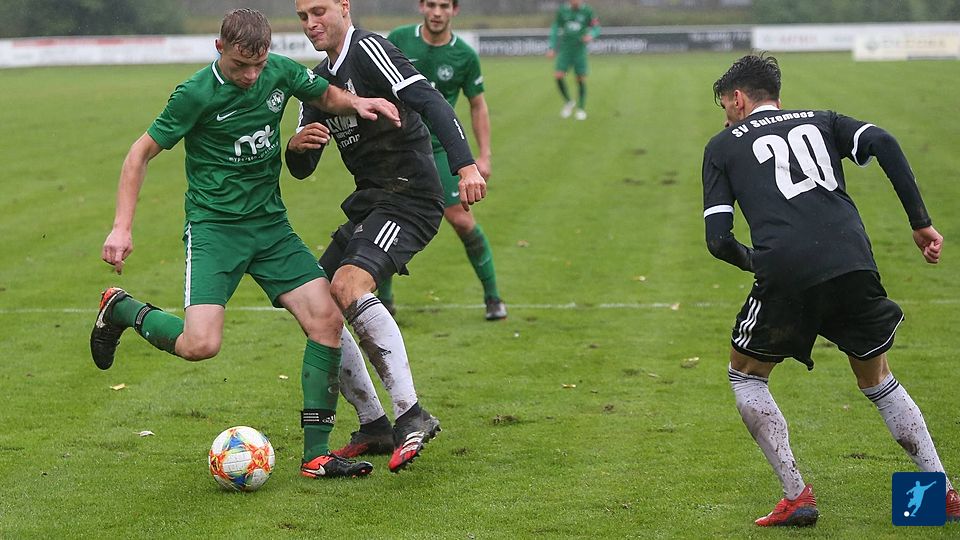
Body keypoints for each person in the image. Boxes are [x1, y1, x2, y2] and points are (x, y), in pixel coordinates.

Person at [90, 8, 401, 480]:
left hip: (271, 228)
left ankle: (316, 455)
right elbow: (139, 155)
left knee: (326, 320)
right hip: (215, 230)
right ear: (220, 49)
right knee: (200, 344)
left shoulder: (279, 71)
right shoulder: (195, 93)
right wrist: (121, 227)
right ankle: (122, 309)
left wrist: (357, 103)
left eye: (258, 65)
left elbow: (325, 94)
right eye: (240, 65)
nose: (251, 75)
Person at [702, 53, 959, 527]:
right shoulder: (823, 120)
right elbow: (883, 141)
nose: (725, 117)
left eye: (725, 106)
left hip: (786, 271)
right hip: (853, 259)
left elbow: (718, 241)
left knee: (747, 375)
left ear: (738, 99)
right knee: (878, 380)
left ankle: (797, 496)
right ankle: (937, 497)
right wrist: (920, 222)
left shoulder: (722, 145)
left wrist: (762, 262)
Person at [286, 0, 487, 473]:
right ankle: (374, 425)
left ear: (344, 7)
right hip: (370, 202)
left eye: (319, 11)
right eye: (302, 17)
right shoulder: (316, 83)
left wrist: (466, 166)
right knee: (316, 305)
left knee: (348, 286)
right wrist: (295, 147)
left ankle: (411, 414)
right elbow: (302, 167)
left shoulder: (370, 49)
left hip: (410, 196)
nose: (311, 24)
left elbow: (432, 102)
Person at [383, 0, 506, 321]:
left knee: (462, 220)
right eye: (432, 5)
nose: (437, 12)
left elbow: (477, 105)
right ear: (421, 7)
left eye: (444, 6)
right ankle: (383, 303)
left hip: (440, 149)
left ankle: (493, 297)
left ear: (455, 10)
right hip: (396, 149)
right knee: (380, 218)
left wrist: (484, 155)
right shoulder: (398, 39)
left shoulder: (464, 55)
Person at [546, 0, 600, 120]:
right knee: (559, 75)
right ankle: (569, 102)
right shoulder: (562, 11)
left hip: (579, 50)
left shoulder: (588, 11)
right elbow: (555, 28)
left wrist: (591, 35)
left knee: (580, 78)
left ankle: (581, 109)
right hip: (565, 50)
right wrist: (552, 47)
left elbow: (597, 28)